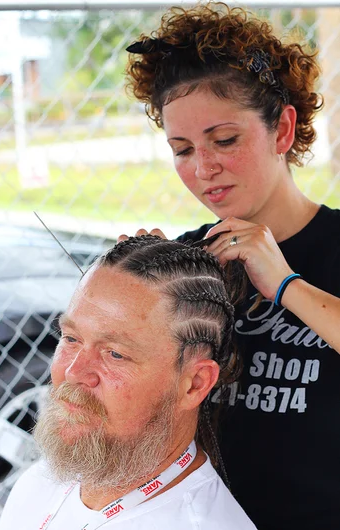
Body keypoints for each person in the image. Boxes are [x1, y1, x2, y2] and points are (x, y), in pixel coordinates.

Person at [124, 3, 340, 530]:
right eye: (181, 149)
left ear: (283, 130)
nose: (203, 168)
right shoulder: (192, 260)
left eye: (224, 140)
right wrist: (133, 298)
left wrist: (285, 283)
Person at [0, 236, 256, 530]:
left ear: (194, 384)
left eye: (115, 354)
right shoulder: (40, 483)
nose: (73, 372)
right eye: (70, 338)